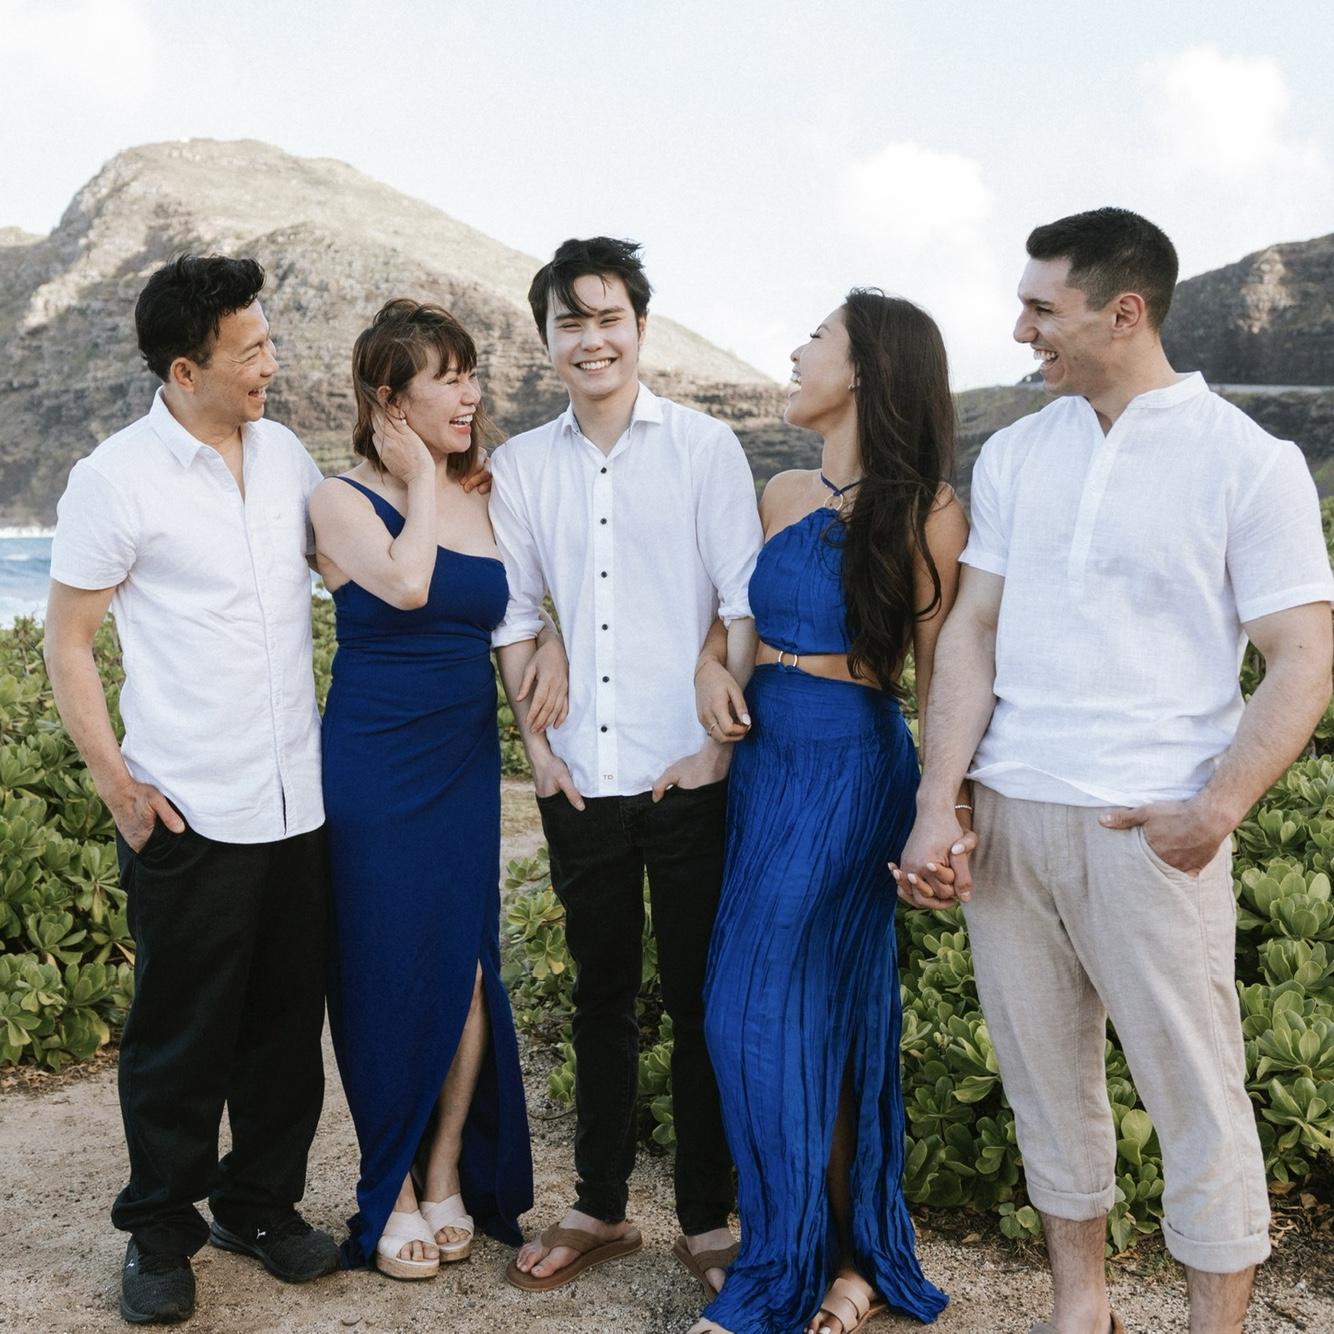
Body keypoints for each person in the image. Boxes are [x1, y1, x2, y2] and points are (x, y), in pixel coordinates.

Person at [895, 208, 1334, 1334]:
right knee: (1046, 1091)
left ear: (1123, 311)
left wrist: (1215, 809)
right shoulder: (1017, 451)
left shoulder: (1247, 461)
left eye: (1042, 308)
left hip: (1148, 833)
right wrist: (940, 801)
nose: (1020, 330)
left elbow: (1302, 655)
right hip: (1010, 819)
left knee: (1197, 1099)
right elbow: (971, 633)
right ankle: (1079, 1310)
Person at [44, 255, 339, 1325]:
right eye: (251, 350)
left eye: (268, 342)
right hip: (188, 811)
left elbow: (346, 570)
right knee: (179, 1039)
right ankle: (161, 1233)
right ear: (184, 369)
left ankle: (258, 1207)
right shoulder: (114, 478)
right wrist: (120, 789)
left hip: (298, 803)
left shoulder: (288, 452)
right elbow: (67, 642)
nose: (271, 364)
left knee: (284, 1032)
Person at [488, 237, 763, 1295]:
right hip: (580, 778)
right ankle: (599, 1205)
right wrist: (536, 752)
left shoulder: (703, 447)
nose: (591, 339)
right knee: (598, 995)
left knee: (698, 1000)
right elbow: (516, 617)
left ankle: (705, 1215)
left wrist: (713, 748)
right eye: (571, 322)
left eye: (608, 318)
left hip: (684, 773)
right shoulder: (522, 465)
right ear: (547, 338)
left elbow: (741, 601)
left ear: (640, 328)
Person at [689, 291, 960, 1334]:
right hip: (766, 762)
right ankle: (841, 1260)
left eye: (816, 339)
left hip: (853, 765)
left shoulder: (929, 506)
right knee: (815, 1013)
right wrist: (711, 671)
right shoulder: (783, 488)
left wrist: (943, 810)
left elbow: (943, 672)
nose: (796, 353)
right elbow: (740, 626)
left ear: (865, 370)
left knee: (751, 1008)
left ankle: (786, 1267)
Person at [312, 299, 562, 1277]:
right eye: (446, 379)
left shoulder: (487, 495)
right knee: (383, 973)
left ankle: (448, 1164)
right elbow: (409, 585)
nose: (469, 395)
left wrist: (553, 664)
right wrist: (420, 479)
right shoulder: (338, 501)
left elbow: (513, 616)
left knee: (464, 971)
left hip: (461, 765)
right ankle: (393, 1189)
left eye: (471, 376)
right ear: (389, 400)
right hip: (372, 767)